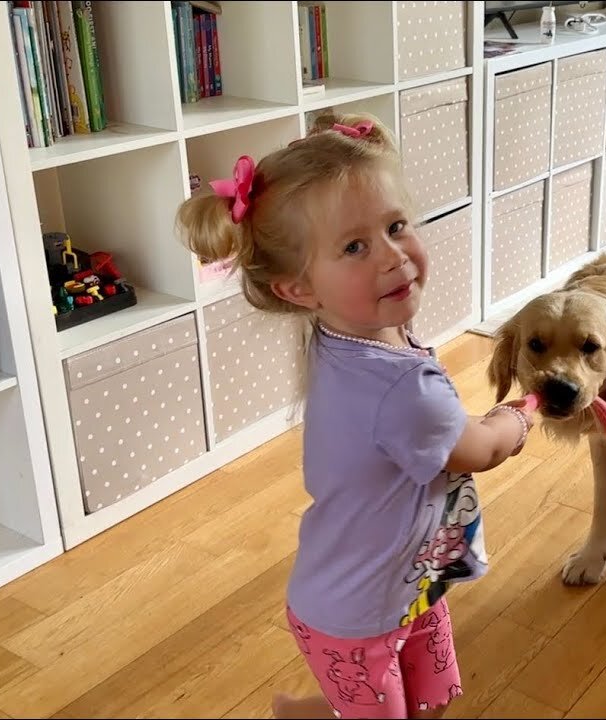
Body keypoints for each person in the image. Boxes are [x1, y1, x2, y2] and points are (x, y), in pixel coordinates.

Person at [175, 112, 536, 719]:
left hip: (411, 583)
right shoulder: (401, 388)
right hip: (351, 613)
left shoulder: (351, 333)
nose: (394, 255)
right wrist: (519, 416)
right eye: (354, 246)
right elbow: (478, 448)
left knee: (431, 700)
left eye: (396, 226)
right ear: (299, 289)